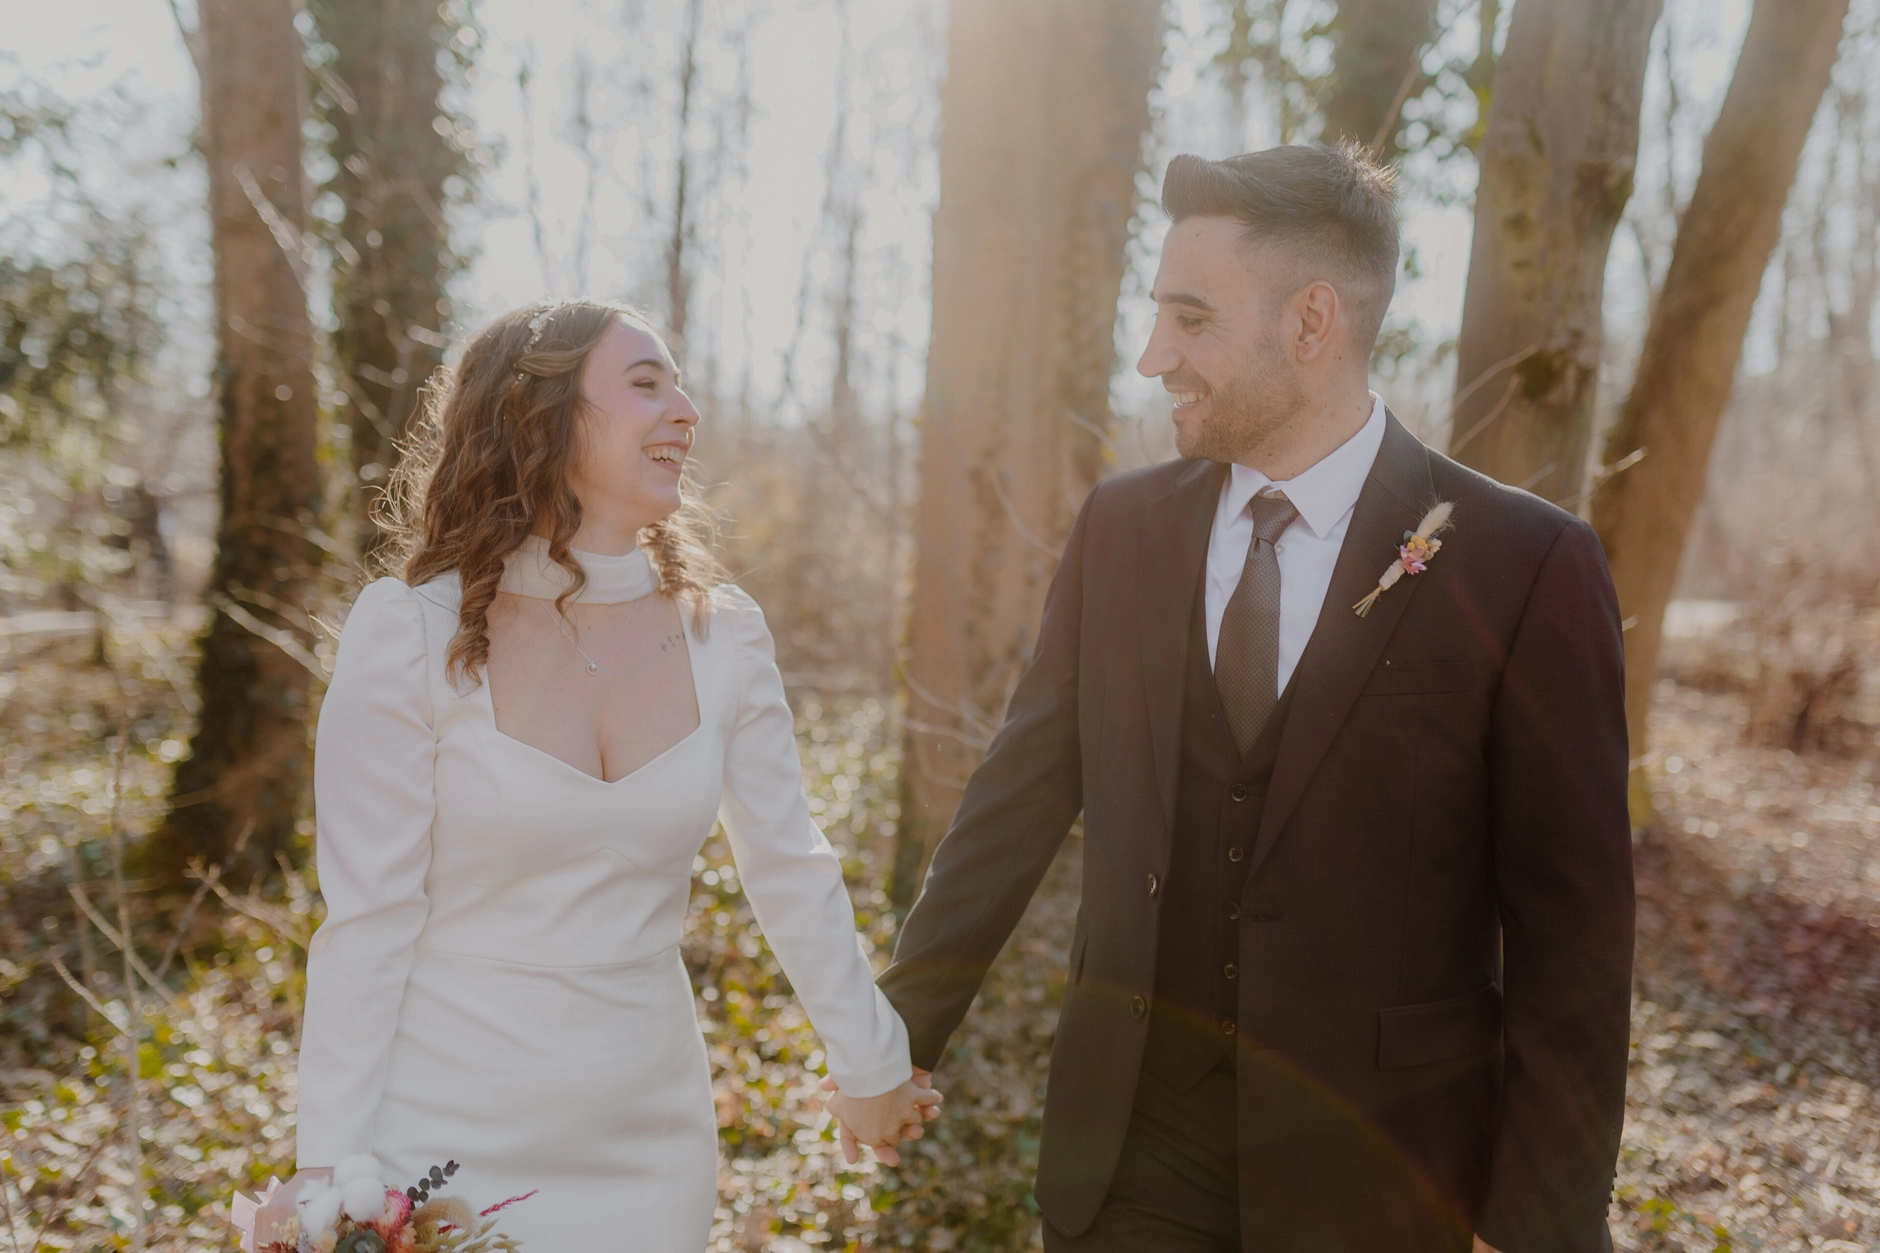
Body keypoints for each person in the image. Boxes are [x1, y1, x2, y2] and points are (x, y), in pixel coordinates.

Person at [853, 143, 1635, 1252]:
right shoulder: (1120, 531)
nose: (1150, 355)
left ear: (1310, 322)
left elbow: (1575, 938)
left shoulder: (1522, 563)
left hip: (1378, 1173)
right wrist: (899, 1031)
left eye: (1190, 320)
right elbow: (1014, 798)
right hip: (1129, 1153)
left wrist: (1542, 1225)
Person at [256, 301, 938, 1251]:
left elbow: (789, 862)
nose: (687, 410)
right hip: (442, 1128)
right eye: (647, 384)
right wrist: (331, 1171)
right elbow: (367, 920)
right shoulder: (410, 631)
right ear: (541, 417)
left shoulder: (723, 630)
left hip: (647, 1134)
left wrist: (871, 1060)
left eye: (682, 385)